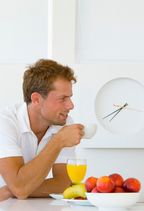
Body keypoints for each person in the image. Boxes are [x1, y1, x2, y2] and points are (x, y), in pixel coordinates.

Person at [0, 58, 85, 200]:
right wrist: (58, 141)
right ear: (36, 99)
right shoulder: (5, 122)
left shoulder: (63, 123)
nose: (71, 106)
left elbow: (63, 184)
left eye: (70, 98)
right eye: (62, 98)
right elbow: (20, 189)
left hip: (21, 206)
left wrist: (11, 190)